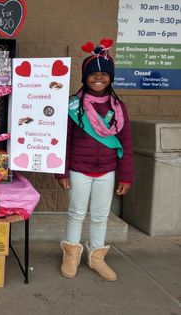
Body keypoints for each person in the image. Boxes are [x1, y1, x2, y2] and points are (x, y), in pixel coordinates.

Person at [56, 39, 134, 281]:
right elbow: (64, 140)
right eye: (93, 74)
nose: (98, 78)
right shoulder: (73, 105)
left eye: (104, 74)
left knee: (101, 215)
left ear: (110, 78)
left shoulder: (118, 107)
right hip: (79, 169)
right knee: (76, 213)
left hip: (107, 171)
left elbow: (127, 144)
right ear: (85, 77)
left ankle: (96, 257)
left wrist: (127, 175)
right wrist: (62, 172)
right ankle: (71, 255)